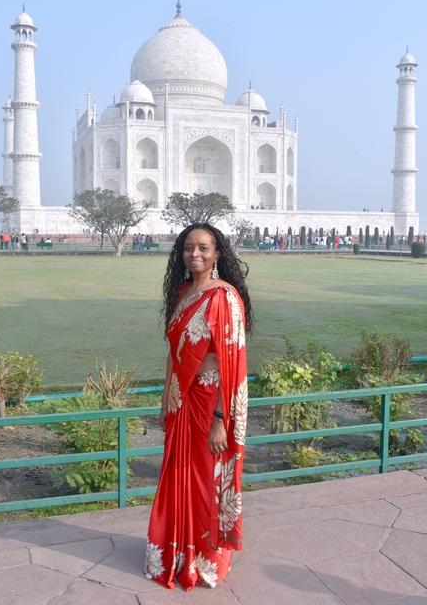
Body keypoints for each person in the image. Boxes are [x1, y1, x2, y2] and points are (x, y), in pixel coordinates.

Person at [144, 222, 253, 591]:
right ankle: (175, 554)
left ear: (217, 253)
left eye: (203, 248)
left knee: (206, 481)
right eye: (189, 248)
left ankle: (206, 559)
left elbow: (231, 362)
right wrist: (164, 401)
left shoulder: (224, 297)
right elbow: (173, 355)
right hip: (180, 400)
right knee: (178, 477)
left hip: (210, 403)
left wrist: (221, 418)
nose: (195, 254)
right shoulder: (182, 292)